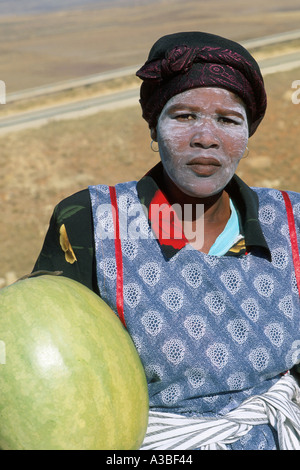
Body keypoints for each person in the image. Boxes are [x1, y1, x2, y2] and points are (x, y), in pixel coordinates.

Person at [32, 32, 300, 450]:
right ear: (154, 128)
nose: (206, 137)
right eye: (184, 116)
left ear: (248, 137)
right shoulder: (94, 222)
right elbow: (43, 368)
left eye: (228, 120)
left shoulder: (290, 221)